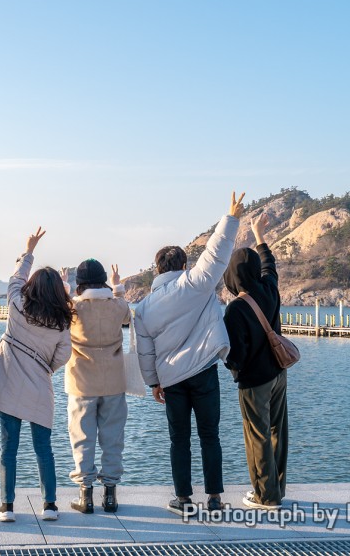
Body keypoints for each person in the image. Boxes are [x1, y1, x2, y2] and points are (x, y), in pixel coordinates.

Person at [134, 191, 245, 514]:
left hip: (171, 380)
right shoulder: (194, 285)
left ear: (157, 270)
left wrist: (153, 383)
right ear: (183, 265)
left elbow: (145, 352)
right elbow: (215, 255)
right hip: (204, 372)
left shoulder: (143, 308)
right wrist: (231, 218)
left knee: (178, 439)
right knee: (210, 435)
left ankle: (183, 499)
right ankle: (213, 499)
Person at [0, 227, 73, 523]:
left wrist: (28, 251)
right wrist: (46, 368)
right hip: (40, 386)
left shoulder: (17, 306)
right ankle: (50, 505)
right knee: (44, 448)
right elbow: (64, 355)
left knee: (8, 449)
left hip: (8, 384)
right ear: (57, 291)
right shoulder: (61, 321)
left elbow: (15, 279)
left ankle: (6, 507)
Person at [223, 212, 288, 511]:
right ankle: (278, 488)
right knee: (278, 431)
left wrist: (232, 368)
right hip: (279, 373)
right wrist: (258, 234)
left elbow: (236, 354)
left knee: (257, 435)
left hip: (255, 381)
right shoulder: (269, 288)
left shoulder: (236, 309)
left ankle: (265, 496)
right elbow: (269, 264)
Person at [60, 259, 131, 514]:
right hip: (113, 381)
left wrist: (65, 286)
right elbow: (125, 312)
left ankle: (85, 495)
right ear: (103, 280)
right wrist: (117, 286)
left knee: (82, 439)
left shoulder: (73, 308)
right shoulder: (117, 305)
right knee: (113, 439)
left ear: (79, 284)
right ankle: (110, 495)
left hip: (81, 382)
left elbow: (61, 312)